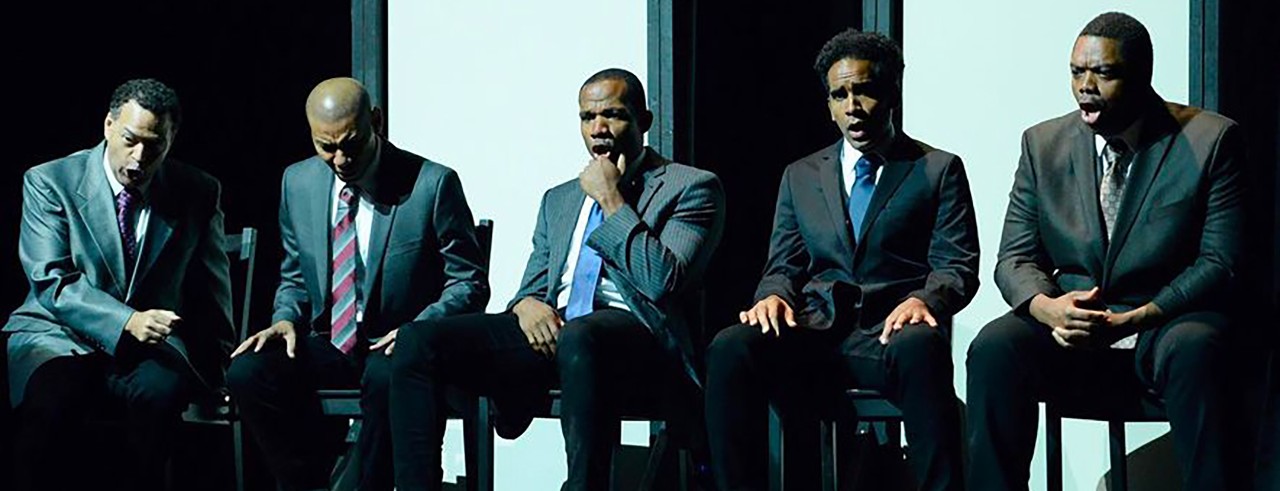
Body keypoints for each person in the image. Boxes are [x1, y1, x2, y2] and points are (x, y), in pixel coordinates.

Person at [388, 68, 726, 491]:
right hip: (556, 333)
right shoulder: (561, 197)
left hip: (637, 338)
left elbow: (661, 281)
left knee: (582, 335)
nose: (598, 129)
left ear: (645, 121)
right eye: (587, 118)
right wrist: (525, 306)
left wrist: (611, 198)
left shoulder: (691, 187)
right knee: (420, 340)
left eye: (614, 115)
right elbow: (533, 286)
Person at [966, 12, 1246, 491]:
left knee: (1200, 347)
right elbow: (1014, 259)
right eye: (1077, 72)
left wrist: (1139, 316)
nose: (1085, 87)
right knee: (994, 348)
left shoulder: (1209, 140)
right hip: (1071, 325)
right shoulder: (1043, 144)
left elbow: (1220, 262)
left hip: (1163, 322)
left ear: (1141, 76)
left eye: (1104, 73)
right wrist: (1048, 308)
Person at [703, 29, 978, 491]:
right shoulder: (800, 175)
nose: (853, 105)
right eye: (840, 94)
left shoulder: (936, 168)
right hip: (815, 332)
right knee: (730, 347)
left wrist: (925, 299)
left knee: (922, 346)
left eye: (866, 90)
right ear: (829, 104)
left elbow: (957, 264)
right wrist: (772, 296)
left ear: (891, 93)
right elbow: (782, 266)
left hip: (889, 335)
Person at [226, 77, 489, 491]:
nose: (340, 158)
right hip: (328, 338)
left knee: (388, 378)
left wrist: (418, 330)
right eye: (325, 146)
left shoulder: (431, 184)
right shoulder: (298, 182)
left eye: (351, 143)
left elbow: (469, 282)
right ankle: (308, 482)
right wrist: (284, 318)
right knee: (247, 372)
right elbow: (295, 275)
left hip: (398, 342)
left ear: (376, 122)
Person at [4, 78, 234, 491]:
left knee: (161, 397)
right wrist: (127, 320)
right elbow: (51, 281)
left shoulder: (197, 191)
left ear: (171, 139)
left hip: (148, 350)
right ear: (108, 125)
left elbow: (211, 289)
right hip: (58, 336)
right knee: (52, 406)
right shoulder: (50, 180)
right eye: (130, 139)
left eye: (155, 144)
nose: (140, 157)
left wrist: (218, 366)